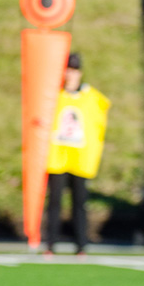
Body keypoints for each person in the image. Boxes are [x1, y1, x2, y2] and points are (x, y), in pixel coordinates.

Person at [44, 52, 110, 257]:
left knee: (80, 203)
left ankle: (81, 244)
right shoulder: (54, 95)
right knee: (54, 201)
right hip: (57, 156)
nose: (70, 74)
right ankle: (50, 244)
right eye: (68, 69)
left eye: (74, 70)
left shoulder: (91, 97)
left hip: (81, 158)